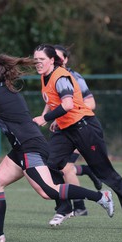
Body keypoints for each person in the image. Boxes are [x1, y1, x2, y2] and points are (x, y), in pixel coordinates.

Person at [0, 53, 114, 242]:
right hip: (21, 148)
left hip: (29, 147)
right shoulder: (6, 92)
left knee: (49, 192)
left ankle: (101, 196)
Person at [33, 44, 122, 231]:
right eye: (35, 60)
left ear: (52, 60)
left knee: (106, 173)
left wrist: (45, 118)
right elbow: (54, 101)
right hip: (65, 130)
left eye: (41, 59)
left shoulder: (61, 77)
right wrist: (54, 118)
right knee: (48, 163)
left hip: (85, 128)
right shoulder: (45, 76)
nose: (38, 63)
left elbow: (67, 104)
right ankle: (65, 207)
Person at [49, 44, 102, 221]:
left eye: (58, 57)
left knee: (66, 168)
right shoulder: (50, 77)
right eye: (52, 56)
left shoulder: (73, 77)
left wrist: (65, 114)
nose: (55, 60)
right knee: (60, 166)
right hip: (64, 131)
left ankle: (78, 207)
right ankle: (87, 172)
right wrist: (52, 118)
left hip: (80, 128)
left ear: (65, 60)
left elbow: (91, 103)